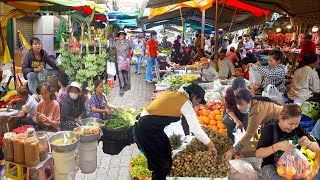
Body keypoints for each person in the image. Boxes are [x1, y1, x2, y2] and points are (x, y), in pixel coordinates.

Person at [134, 83, 217, 179]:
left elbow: (163, 120)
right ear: (193, 96)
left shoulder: (175, 94)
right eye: (197, 101)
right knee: (161, 166)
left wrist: (171, 153)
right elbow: (196, 129)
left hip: (148, 127)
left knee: (165, 152)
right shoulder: (185, 103)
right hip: (147, 131)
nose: (196, 104)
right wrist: (211, 145)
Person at [256, 104, 320, 180]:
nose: (293, 127)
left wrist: (309, 144)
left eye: (297, 123)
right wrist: (277, 146)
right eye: (291, 124)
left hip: (293, 165)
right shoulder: (270, 129)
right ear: (280, 118)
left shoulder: (298, 128)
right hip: (271, 165)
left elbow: (317, 149)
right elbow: (258, 154)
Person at [223, 89, 283, 160]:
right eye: (238, 104)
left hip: (282, 121)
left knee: (268, 146)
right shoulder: (255, 101)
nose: (239, 107)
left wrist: (233, 150)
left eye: (242, 105)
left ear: (249, 102)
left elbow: (249, 135)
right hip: (271, 120)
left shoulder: (256, 112)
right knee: (255, 141)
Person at [222, 77, 248, 142]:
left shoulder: (248, 94)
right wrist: (236, 120)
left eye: (239, 93)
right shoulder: (229, 91)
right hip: (232, 111)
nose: (236, 95)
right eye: (235, 93)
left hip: (243, 113)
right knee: (230, 126)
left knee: (244, 128)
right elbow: (229, 108)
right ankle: (231, 143)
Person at [112, 30, 133, 95]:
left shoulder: (128, 42)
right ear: (119, 36)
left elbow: (132, 47)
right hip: (119, 60)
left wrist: (130, 53)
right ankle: (122, 87)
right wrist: (112, 40)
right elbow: (112, 47)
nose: (121, 36)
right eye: (120, 35)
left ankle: (126, 84)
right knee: (120, 74)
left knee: (125, 73)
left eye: (123, 34)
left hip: (126, 60)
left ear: (124, 35)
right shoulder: (116, 42)